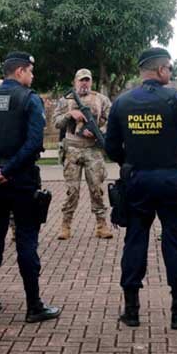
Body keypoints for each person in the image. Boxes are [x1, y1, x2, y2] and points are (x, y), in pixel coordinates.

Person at [105, 47, 177, 330]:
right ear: (161, 70)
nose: (171, 73)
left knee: (135, 241)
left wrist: (132, 161)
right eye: (170, 69)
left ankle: (132, 310)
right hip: (171, 180)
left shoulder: (122, 103)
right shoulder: (176, 100)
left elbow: (111, 147)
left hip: (136, 181)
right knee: (174, 242)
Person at [0, 52, 61, 324]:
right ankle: (34, 305)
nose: (32, 77)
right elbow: (33, 144)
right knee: (26, 239)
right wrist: (7, 172)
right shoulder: (29, 99)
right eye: (30, 71)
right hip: (21, 180)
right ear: (20, 71)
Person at [53, 68, 112, 240]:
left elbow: (113, 120)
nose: (84, 83)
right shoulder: (66, 100)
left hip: (93, 149)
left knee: (97, 189)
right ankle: (66, 225)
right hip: (72, 149)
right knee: (72, 190)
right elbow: (56, 122)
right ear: (75, 82)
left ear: (91, 82)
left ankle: (101, 225)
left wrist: (98, 131)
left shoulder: (101, 99)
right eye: (81, 80)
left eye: (87, 80)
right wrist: (70, 114)